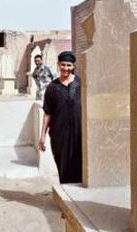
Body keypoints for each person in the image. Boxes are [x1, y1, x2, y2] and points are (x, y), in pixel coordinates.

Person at [38, 51, 82, 183]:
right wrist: (42, 135)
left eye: (69, 65)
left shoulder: (81, 84)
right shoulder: (52, 87)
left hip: (79, 132)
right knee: (62, 163)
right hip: (59, 134)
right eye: (63, 65)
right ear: (58, 65)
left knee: (80, 162)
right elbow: (47, 113)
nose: (66, 68)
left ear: (73, 66)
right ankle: (66, 191)